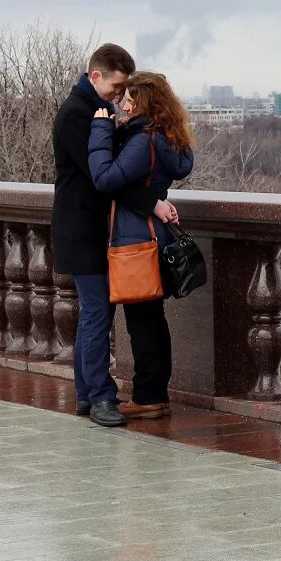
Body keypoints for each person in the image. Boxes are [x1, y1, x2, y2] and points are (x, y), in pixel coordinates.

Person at [51, 44, 178, 428]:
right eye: (116, 87)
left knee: (95, 315)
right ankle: (100, 398)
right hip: (83, 231)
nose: (120, 96)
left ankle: (88, 396)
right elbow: (103, 180)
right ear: (96, 76)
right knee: (96, 314)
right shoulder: (79, 114)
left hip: (94, 231)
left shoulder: (95, 111)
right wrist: (152, 203)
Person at [87, 71, 194, 420]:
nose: (124, 104)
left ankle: (148, 395)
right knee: (152, 318)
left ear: (143, 102)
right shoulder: (166, 137)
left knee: (142, 321)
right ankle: (154, 392)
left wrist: (103, 131)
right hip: (153, 236)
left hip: (135, 241)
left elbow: (105, 178)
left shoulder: (143, 141)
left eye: (130, 98)